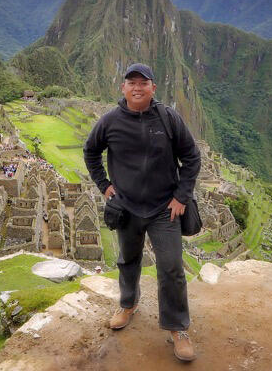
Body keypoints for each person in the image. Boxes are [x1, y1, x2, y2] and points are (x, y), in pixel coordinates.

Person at [83, 63, 201, 362]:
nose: (137, 87)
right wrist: (105, 186)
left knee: (172, 266)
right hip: (127, 207)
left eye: (143, 83)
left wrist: (181, 197)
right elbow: (90, 151)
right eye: (131, 82)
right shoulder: (110, 121)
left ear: (153, 88)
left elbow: (191, 156)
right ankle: (127, 303)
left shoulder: (168, 117)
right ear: (123, 87)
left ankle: (177, 327)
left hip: (165, 209)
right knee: (127, 260)